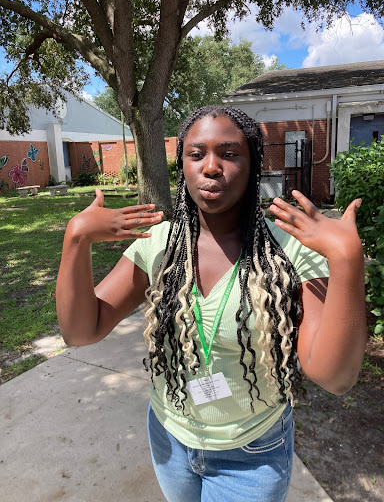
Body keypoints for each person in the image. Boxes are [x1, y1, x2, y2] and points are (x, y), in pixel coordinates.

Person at [56, 105, 367, 502]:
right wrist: (76, 238)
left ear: (253, 164)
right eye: (196, 153)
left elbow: (334, 377)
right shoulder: (160, 244)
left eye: (230, 153)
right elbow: (81, 331)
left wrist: (346, 260)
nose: (212, 167)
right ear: (183, 164)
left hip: (252, 455)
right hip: (170, 440)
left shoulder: (288, 248)